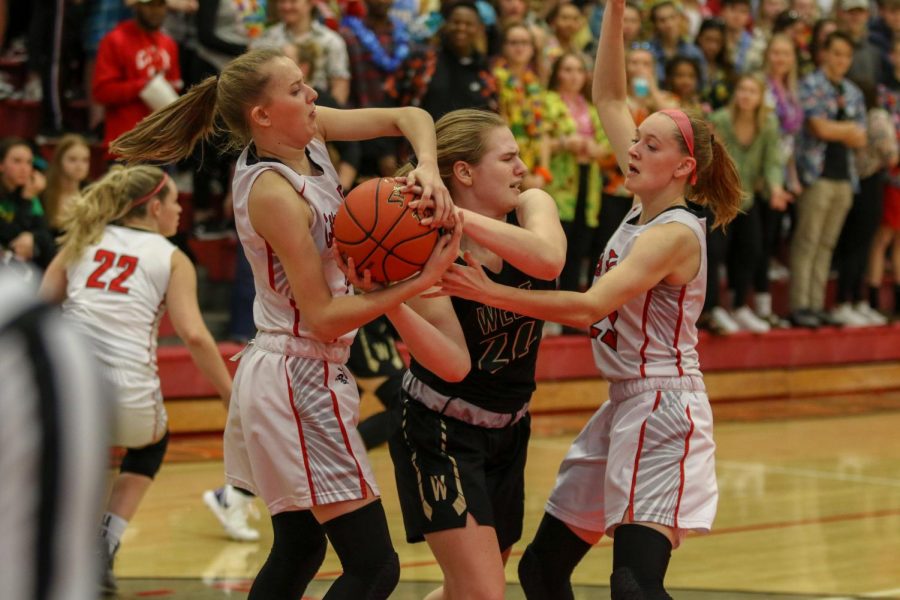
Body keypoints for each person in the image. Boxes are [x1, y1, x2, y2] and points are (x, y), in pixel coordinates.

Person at [109, 47, 461, 599]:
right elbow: (320, 317)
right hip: (298, 372)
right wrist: (417, 281)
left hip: (297, 370)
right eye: (296, 89)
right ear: (262, 115)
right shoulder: (273, 191)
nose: (312, 95)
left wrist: (428, 167)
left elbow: (409, 116)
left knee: (299, 547)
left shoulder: (310, 136)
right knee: (375, 568)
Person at [436, 0, 743, 595]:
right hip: (622, 405)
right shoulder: (643, 202)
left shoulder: (674, 234)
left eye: (648, 146)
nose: (633, 148)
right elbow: (607, 96)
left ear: (682, 168)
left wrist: (489, 290)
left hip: (664, 408)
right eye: (637, 139)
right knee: (541, 568)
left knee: (632, 584)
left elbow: (586, 308)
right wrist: (615, 11)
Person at [377, 108, 565, 600]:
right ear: (464, 172)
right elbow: (455, 365)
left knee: (466, 591)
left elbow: (549, 260)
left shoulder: (533, 206)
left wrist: (457, 215)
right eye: (508, 158)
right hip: (440, 430)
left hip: (510, 428)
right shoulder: (424, 248)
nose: (522, 168)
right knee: (483, 593)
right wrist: (386, 300)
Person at [38, 165, 233, 595]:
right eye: (175, 202)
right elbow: (196, 335)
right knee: (150, 444)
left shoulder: (83, 240)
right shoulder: (172, 256)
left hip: (68, 386)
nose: (181, 209)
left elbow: (42, 307)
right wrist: (228, 391)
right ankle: (104, 544)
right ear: (153, 207)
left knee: (71, 454)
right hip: (131, 395)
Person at [0, 269, 112, 600]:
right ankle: (111, 537)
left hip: (87, 375)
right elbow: (192, 332)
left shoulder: (25, 338)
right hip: (116, 373)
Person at [41, 134, 92, 238]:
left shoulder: (93, 194)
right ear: (59, 161)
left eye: (85, 160)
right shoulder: (43, 192)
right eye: (72, 159)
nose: (79, 166)